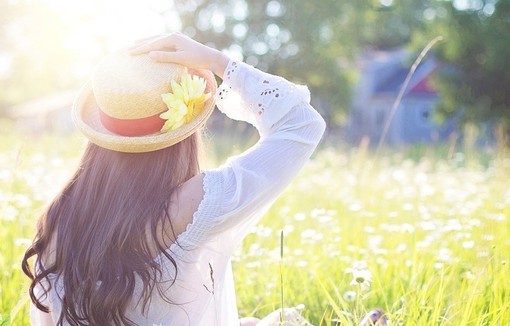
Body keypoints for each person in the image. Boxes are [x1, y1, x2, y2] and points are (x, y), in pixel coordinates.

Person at [22, 33, 325, 325]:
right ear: (184, 129)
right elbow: (302, 123)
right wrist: (218, 62)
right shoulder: (193, 204)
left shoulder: (59, 214)